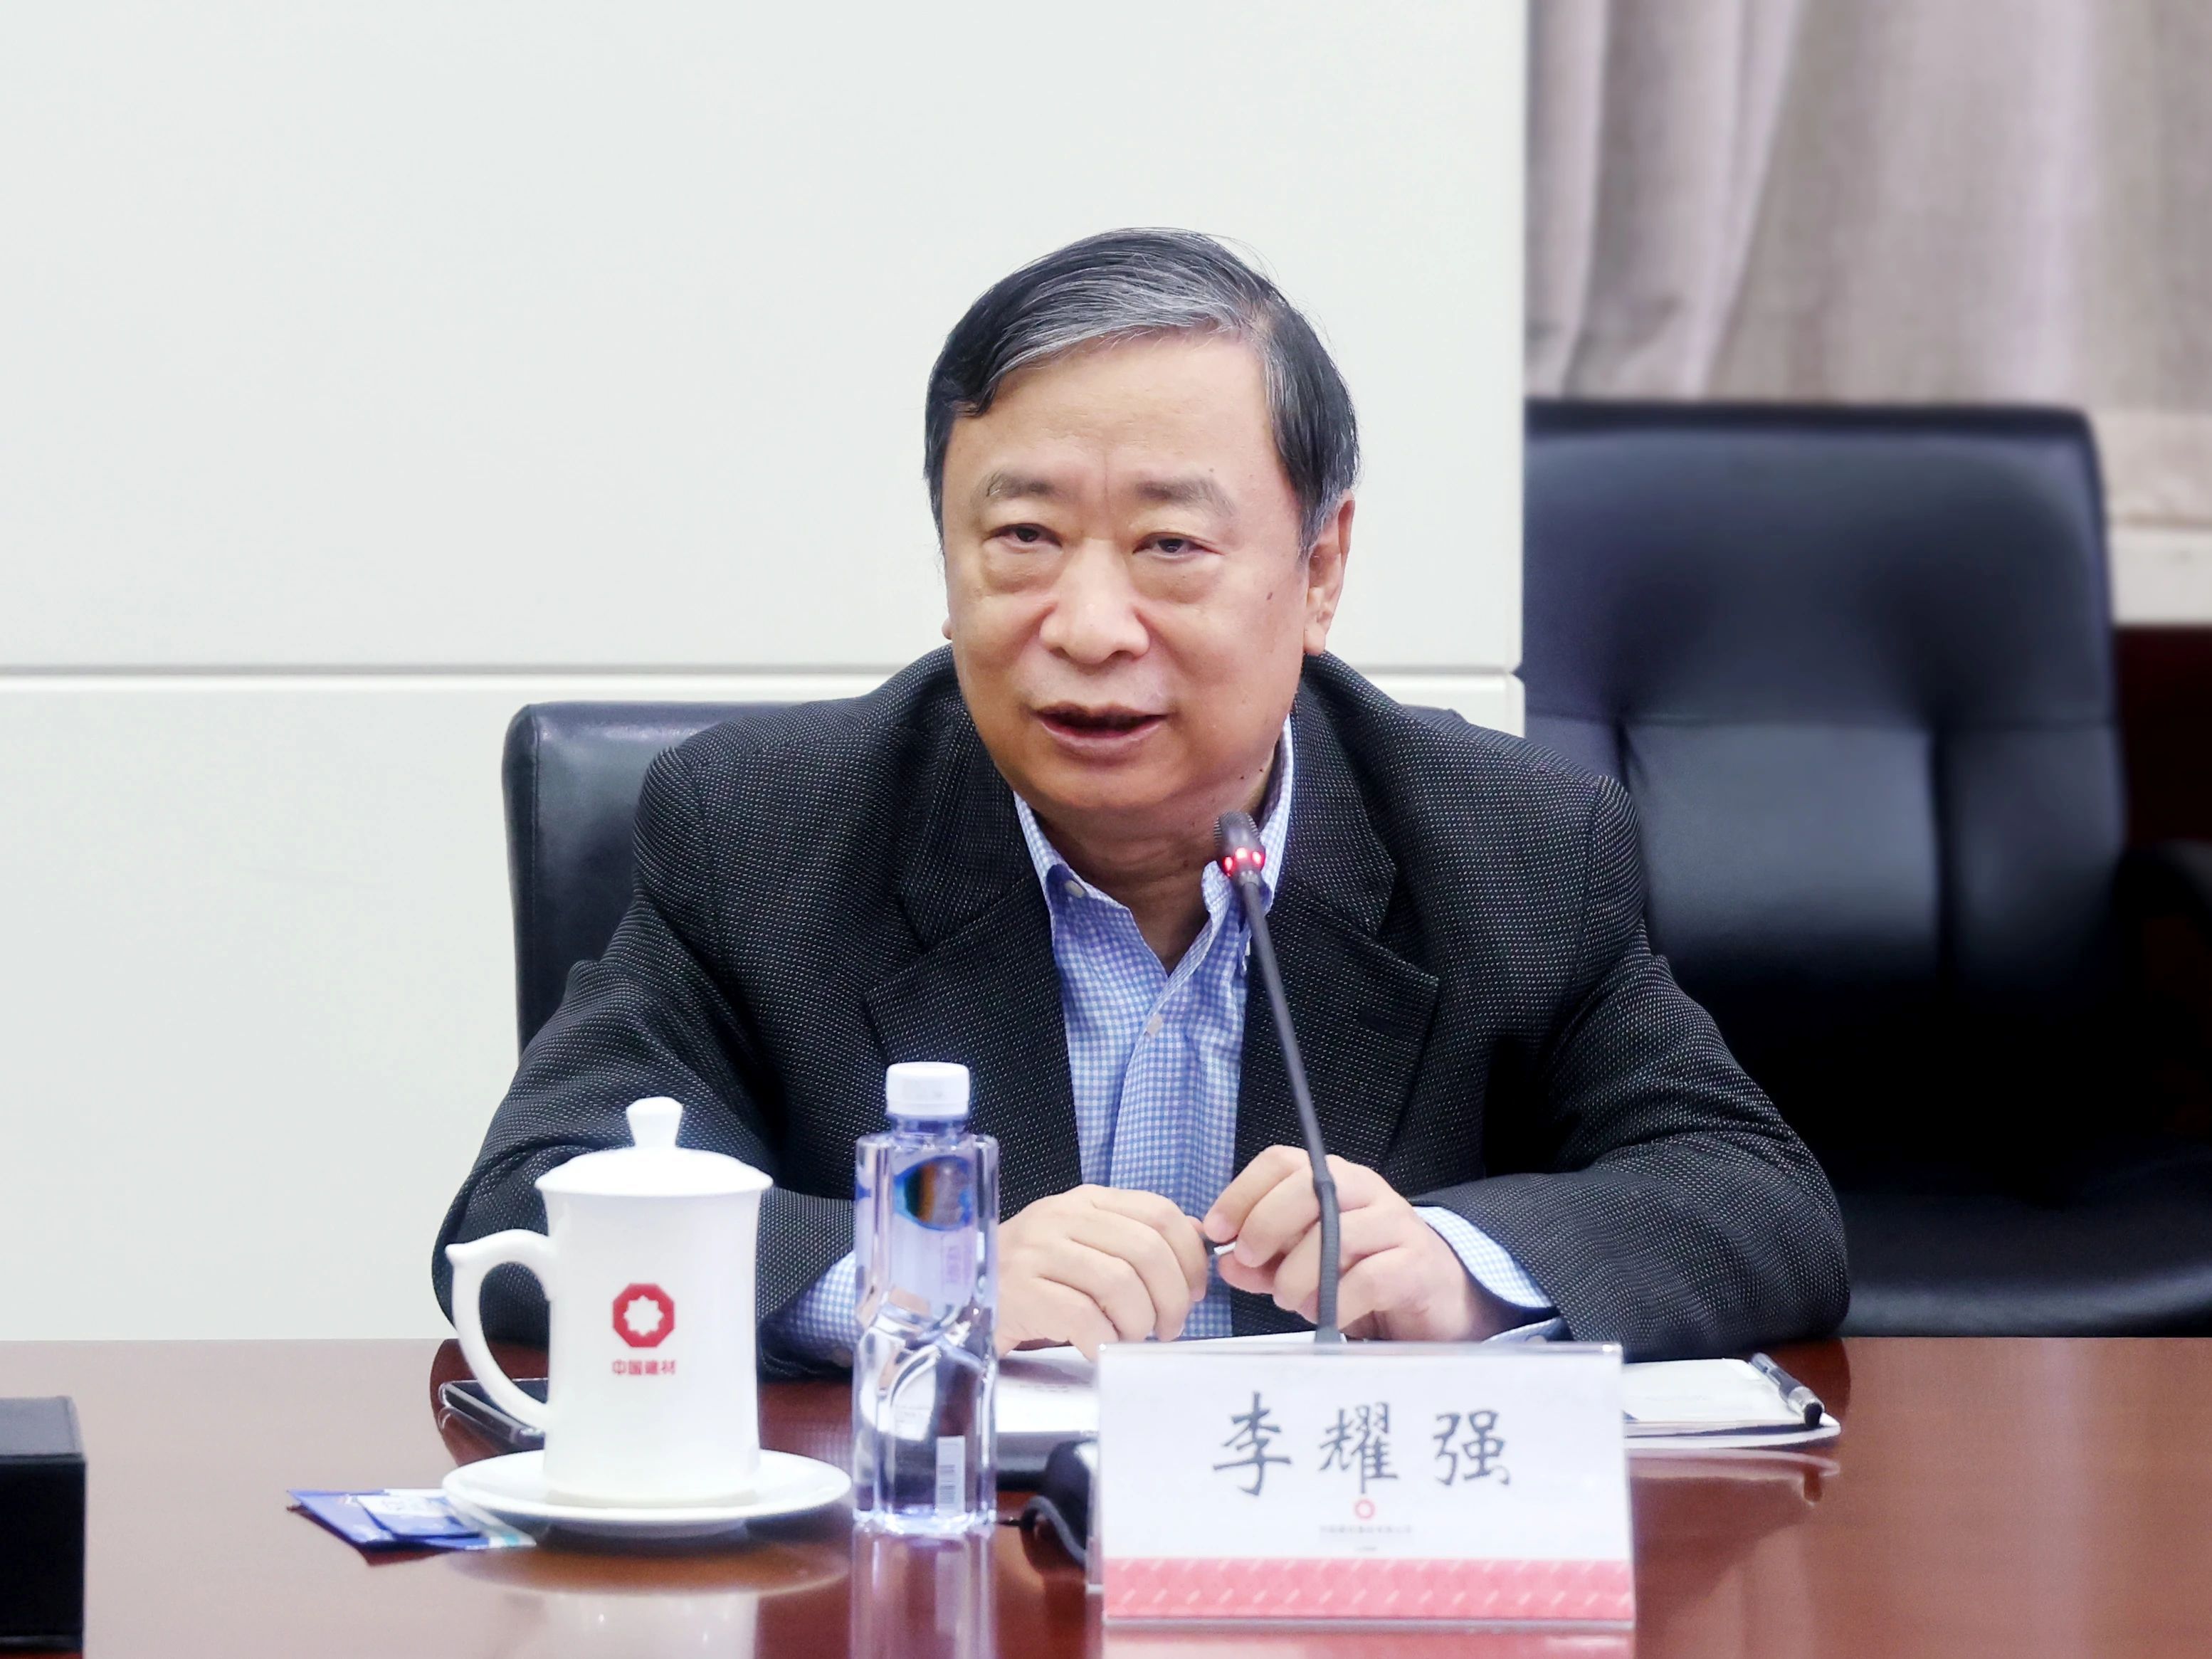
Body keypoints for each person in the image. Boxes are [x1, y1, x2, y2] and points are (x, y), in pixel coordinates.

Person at [433, 228, 1848, 1368]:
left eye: (1171, 544)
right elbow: (518, 1218)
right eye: (1024, 536)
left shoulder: (1517, 847)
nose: (1091, 625)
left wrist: (1459, 1269)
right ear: (948, 560)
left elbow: (1757, 1199)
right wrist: (916, 1277)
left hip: (1332, 1566)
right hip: (947, 1560)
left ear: (1321, 569)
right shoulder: (763, 832)